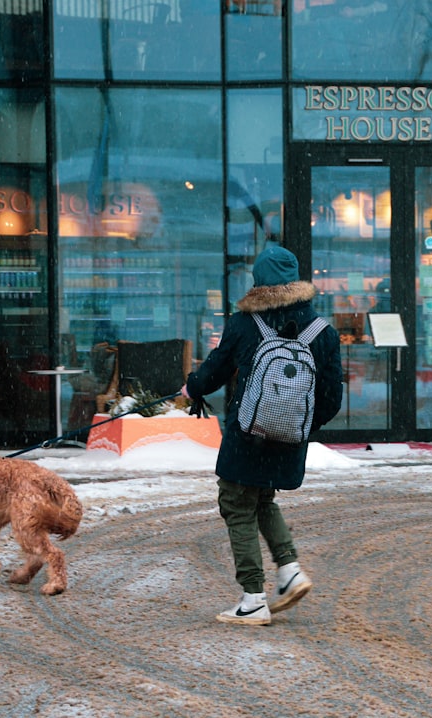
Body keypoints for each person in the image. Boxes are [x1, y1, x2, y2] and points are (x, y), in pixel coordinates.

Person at [181, 245, 343, 626]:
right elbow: (332, 399)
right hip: (288, 442)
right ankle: (289, 572)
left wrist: (193, 387)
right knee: (262, 498)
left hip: (246, 434)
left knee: (237, 503)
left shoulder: (244, 323)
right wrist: (295, 424)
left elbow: (214, 373)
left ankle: (253, 597)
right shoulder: (323, 331)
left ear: (258, 281)